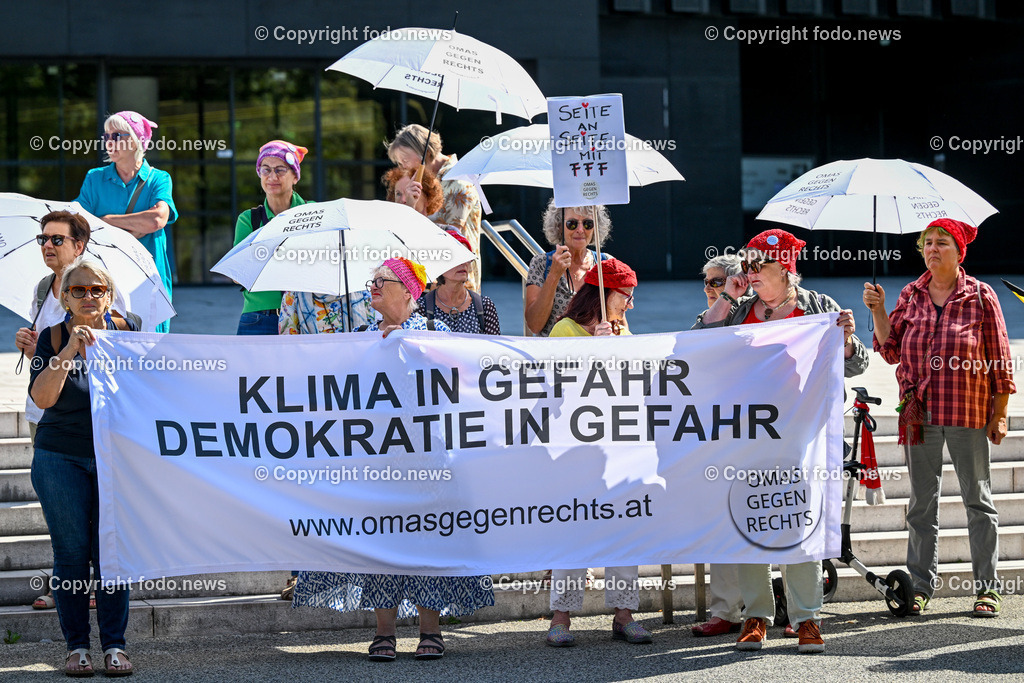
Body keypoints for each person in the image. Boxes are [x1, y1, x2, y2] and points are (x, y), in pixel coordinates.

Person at [292, 258, 494, 661]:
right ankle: (384, 632)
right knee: (383, 540)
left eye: (381, 281)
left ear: (407, 290)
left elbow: (461, 381)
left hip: (430, 462)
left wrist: (408, 345)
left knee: (429, 541)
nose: (373, 287)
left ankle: (430, 631)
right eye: (372, 281)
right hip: (379, 461)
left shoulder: (437, 332)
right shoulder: (361, 336)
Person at [695, 229, 868, 653]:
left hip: (802, 438)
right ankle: (756, 615)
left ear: (786, 267)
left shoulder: (818, 307)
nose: (750, 273)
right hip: (749, 435)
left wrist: (845, 340)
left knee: (797, 522)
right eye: (748, 265)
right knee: (751, 518)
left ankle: (807, 618)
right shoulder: (742, 309)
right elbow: (698, 344)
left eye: (760, 266)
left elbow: (858, 364)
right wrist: (727, 297)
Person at [863, 218, 1014, 618]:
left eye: (941, 243)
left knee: (978, 500)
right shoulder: (910, 294)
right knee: (921, 504)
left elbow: (1000, 359)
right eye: (927, 243)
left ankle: (987, 589)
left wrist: (999, 413)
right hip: (919, 413)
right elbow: (890, 349)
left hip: (967, 411)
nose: (932, 249)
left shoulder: (980, 297)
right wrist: (878, 311)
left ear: (958, 251)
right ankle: (920, 587)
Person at [29, 257, 138, 677]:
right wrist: (72, 347)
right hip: (60, 457)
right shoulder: (52, 337)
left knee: (111, 552)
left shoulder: (130, 334)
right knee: (72, 555)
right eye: (79, 290)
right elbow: (42, 399)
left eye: (97, 290)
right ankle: (77, 648)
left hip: (117, 460)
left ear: (109, 296)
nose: (88, 296)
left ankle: (114, 645)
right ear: (63, 296)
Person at [544, 258, 650, 646]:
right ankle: (561, 617)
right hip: (575, 452)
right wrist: (596, 351)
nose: (631, 305)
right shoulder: (564, 329)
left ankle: (624, 614)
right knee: (573, 529)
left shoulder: (620, 330)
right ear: (605, 295)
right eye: (626, 296)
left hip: (617, 449)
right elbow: (561, 388)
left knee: (623, 526)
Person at [75, 110, 176, 333]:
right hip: (103, 283)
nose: (109, 142)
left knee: (150, 355)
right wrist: (132, 226)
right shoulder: (94, 178)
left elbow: (157, 219)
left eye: (117, 136)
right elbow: (78, 224)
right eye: (106, 136)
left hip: (148, 282)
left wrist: (105, 220)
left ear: (137, 140)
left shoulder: (159, 178)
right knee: (107, 352)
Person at [690, 252, 748, 637]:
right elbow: (692, 345)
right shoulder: (712, 315)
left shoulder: (756, 313)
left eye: (717, 282)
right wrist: (723, 301)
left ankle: (781, 610)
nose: (710, 289)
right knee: (724, 522)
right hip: (717, 437)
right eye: (708, 283)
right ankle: (725, 611)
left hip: (759, 433)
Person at [387, 124, 483, 290]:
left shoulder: (458, 183)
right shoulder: (425, 182)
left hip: (454, 288)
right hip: (432, 283)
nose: (402, 167)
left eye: (405, 160)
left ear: (425, 153)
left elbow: (449, 239)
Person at [234, 140, 308, 336]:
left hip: (307, 314)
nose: (272, 176)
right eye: (265, 170)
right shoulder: (248, 219)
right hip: (259, 317)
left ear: (295, 176)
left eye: (280, 170)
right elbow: (238, 273)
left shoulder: (313, 212)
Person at [525, 200, 612, 337]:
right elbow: (534, 325)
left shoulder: (606, 264)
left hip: (594, 355)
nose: (580, 230)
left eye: (588, 224)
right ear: (559, 226)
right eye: (572, 224)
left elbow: (621, 324)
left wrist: (609, 332)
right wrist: (554, 274)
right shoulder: (541, 263)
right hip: (553, 355)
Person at [417, 230, 501, 334]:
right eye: (456, 256)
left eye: (467, 256)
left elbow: (493, 348)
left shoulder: (484, 306)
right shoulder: (421, 307)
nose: (464, 262)